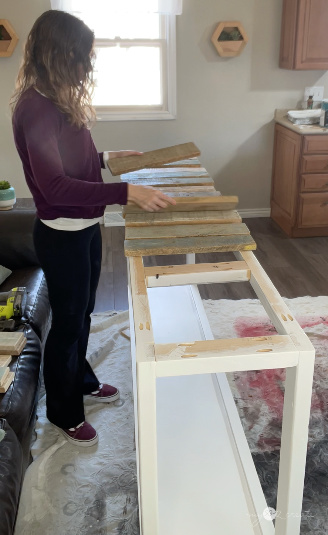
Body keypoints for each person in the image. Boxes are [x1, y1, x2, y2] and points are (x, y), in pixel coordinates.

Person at [11, 9, 175, 448]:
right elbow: (56, 185)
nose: (88, 65)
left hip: (84, 227)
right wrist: (125, 193)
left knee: (81, 312)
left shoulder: (56, 96)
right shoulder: (35, 108)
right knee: (66, 324)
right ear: (60, 54)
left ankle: (80, 381)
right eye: (83, 56)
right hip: (61, 233)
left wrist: (106, 158)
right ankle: (63, 412)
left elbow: (73, 158)